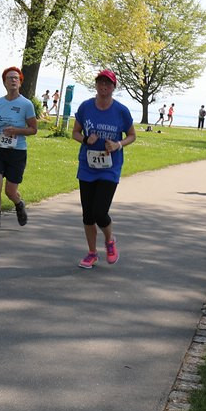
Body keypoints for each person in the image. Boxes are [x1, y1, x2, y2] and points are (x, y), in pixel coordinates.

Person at [73, 69, 136, 269]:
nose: (103, 87)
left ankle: (110, 240)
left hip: (110, 168)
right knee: (88, 215)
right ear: (96, 86)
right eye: (100, 83)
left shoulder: (121, 111)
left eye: (107, 84)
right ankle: (92, 253)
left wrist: (118, 144)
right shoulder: (85, 107)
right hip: (87, 166)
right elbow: (75, 132)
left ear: (113, 87)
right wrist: (84, 139)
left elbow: (132, 135)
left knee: (100, 212)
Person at [0, 66, 38, 234]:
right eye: (10, 78)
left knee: (10, 191)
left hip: (17, 151)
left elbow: (33, 129)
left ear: (20, 82)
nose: (13, 80)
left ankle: (18, 204)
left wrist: (17, 131)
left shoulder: (26, 104)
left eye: (16, 78)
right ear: (4, 82)